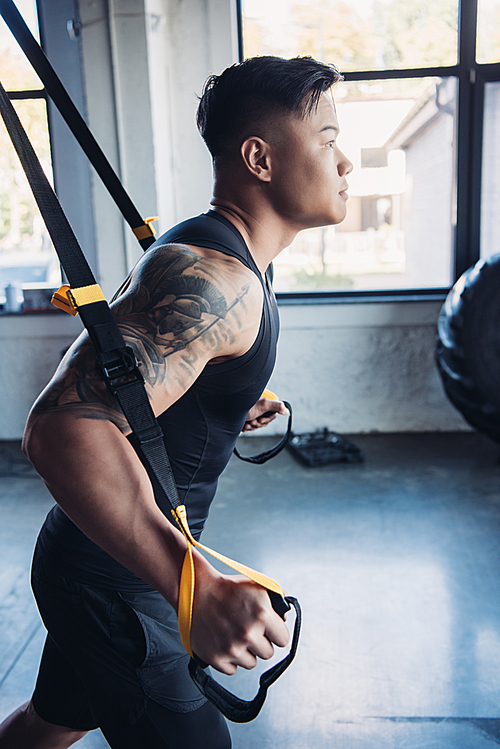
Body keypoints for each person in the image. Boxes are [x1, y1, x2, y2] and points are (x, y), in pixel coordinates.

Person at [0, 55, 352, 748]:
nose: (345, 164)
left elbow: (145, 376)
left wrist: (223, 394)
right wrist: (194, 582)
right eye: (329, 139)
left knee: (51, 725)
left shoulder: (231, 257)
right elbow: (59, 430)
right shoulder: (217, 278)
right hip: (112, 579)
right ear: (260, 157)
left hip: (94, 554)